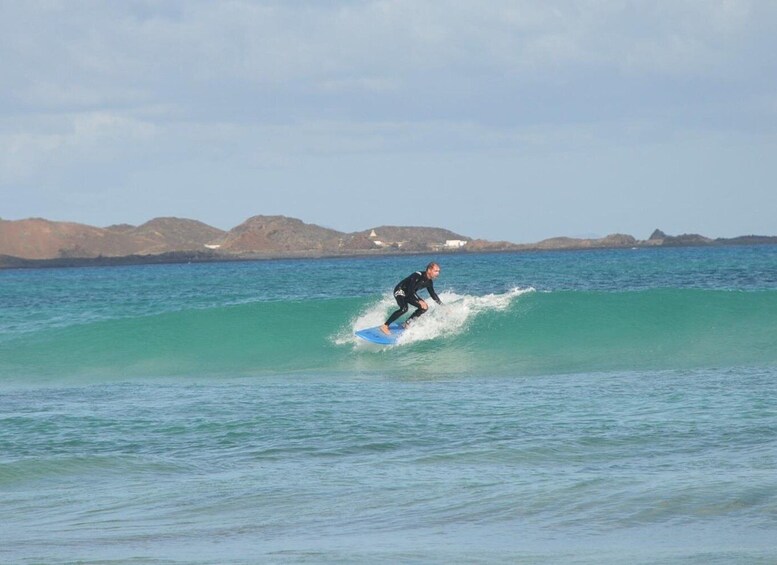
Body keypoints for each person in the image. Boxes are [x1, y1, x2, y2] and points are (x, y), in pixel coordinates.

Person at [380, 262, 442, 335]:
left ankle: (407, 323)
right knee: (404, 308)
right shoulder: (418, 275)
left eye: (438, 271)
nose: (437, 273)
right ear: (429, 270)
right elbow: (410, 289)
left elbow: (433, 295)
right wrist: (419, 300)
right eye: (436, 271)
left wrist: (442, 305)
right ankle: (385, 325)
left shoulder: (429, 282)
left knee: (424, 307)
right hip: (400, 290)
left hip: (410, 294)